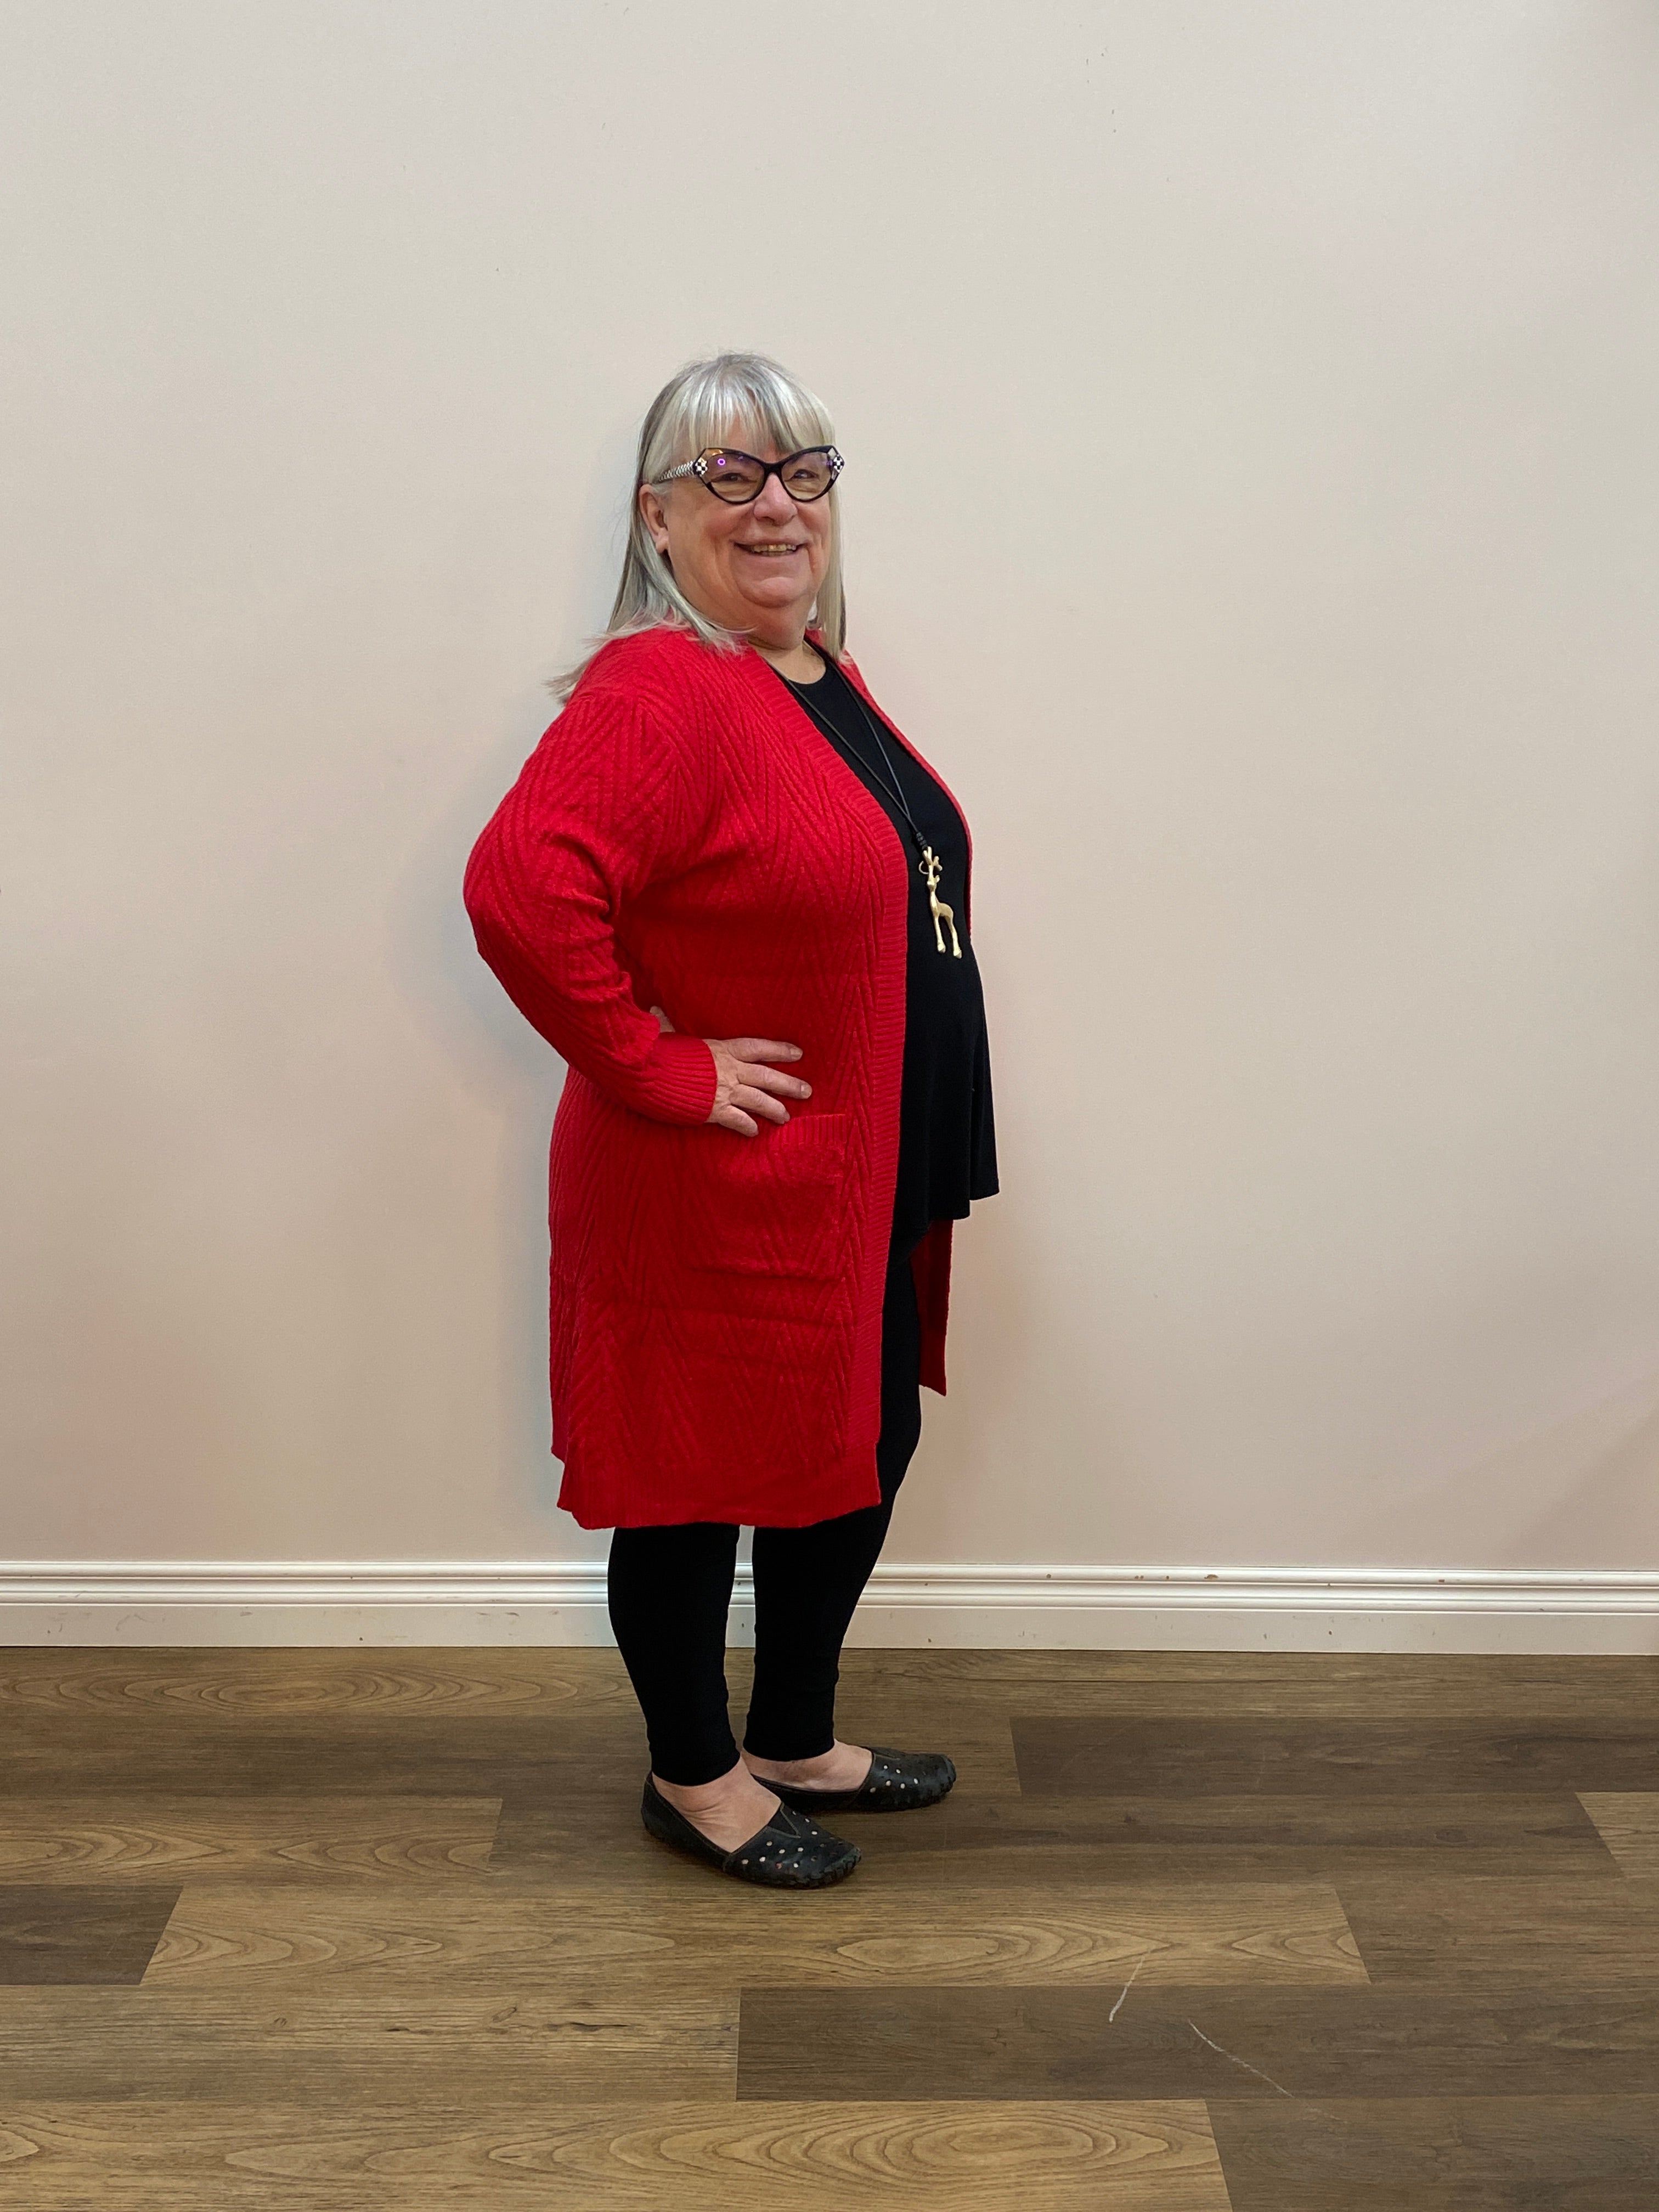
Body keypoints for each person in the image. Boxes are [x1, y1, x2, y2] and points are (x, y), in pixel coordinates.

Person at [464, 352, 997, 1888]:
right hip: (718, 1183)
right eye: (730, 475)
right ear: (658, 516)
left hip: (857, 1168)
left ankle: (793, 1738)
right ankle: (693, 1775)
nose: (776, 506)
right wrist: (663, 1066)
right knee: (694, 1485)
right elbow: (518, 890)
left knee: (859, 1445)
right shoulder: (663, 686)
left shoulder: (815, 672)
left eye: (803, 472)